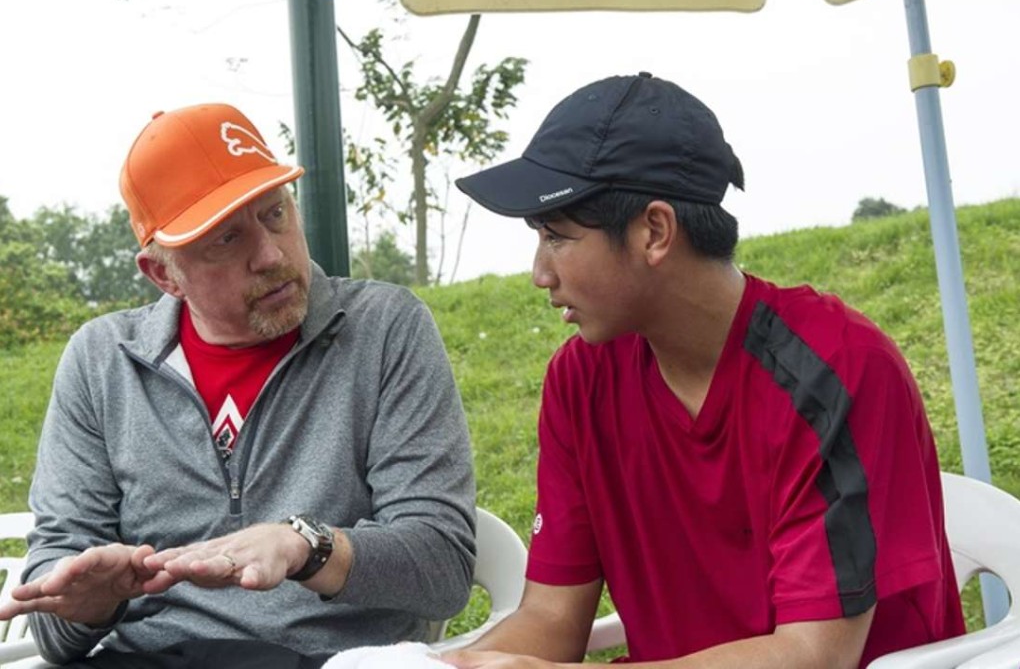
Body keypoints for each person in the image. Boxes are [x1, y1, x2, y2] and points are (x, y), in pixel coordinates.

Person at [443, 72, 964, 669]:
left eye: (557, 237)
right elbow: (552, 618)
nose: (540, 272)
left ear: (655, 232)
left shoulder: (838, 370)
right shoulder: (580, 381)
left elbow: (813, 657)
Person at [0, 103, 476, 667]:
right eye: (227, 240)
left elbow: (442, 567)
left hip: (332, 660)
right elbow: (53, 630)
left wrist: (306, 546)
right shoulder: (102, 360)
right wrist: (89, 602)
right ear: (163, 274)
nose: (271, 255)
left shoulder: (384, 329)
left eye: (276, 214)